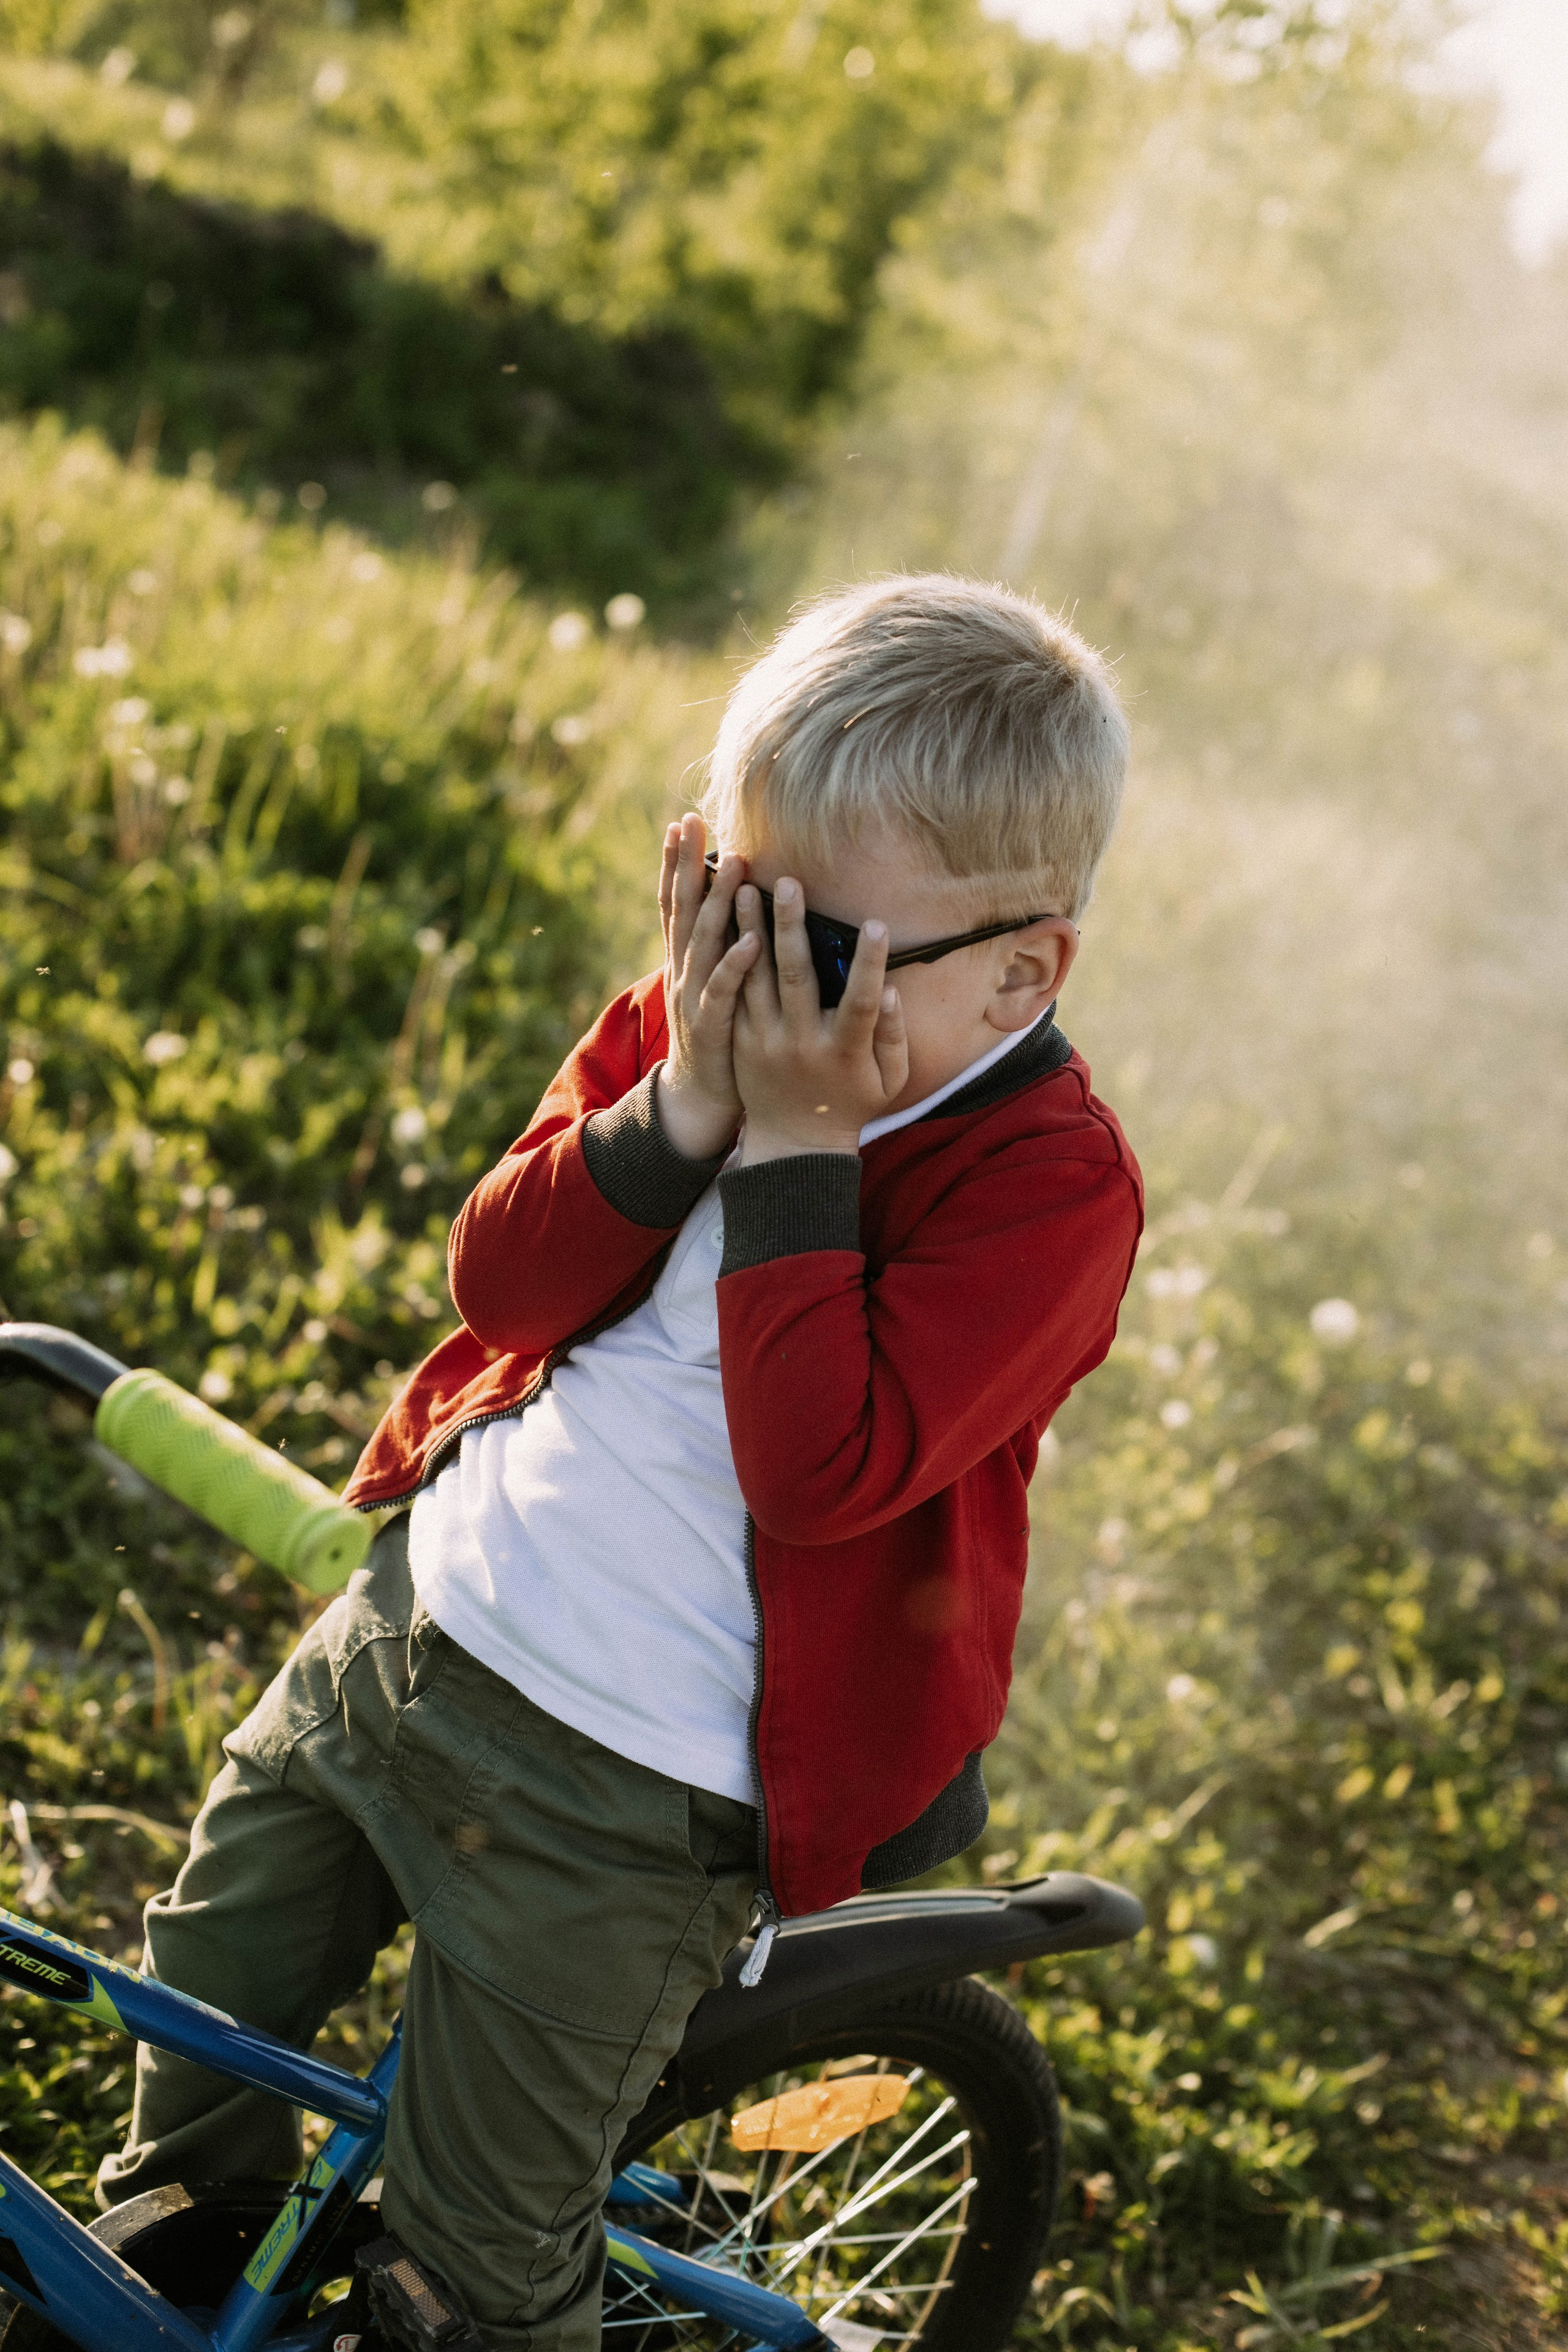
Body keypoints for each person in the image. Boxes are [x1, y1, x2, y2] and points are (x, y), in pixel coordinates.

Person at [99, 573, 1144, 2348]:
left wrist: (801, 1150)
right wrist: (683, 1108)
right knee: (202, 2000)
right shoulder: (704, 1018)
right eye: (727, 909)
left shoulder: (1047, 1187)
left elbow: (825, 1466)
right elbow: (501, 1277)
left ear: (1020, 973)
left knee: (472, 2280)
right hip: (414, 1636)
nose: (750, 984)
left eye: (819, 956)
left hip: (627, 1806)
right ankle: (198, 2251)